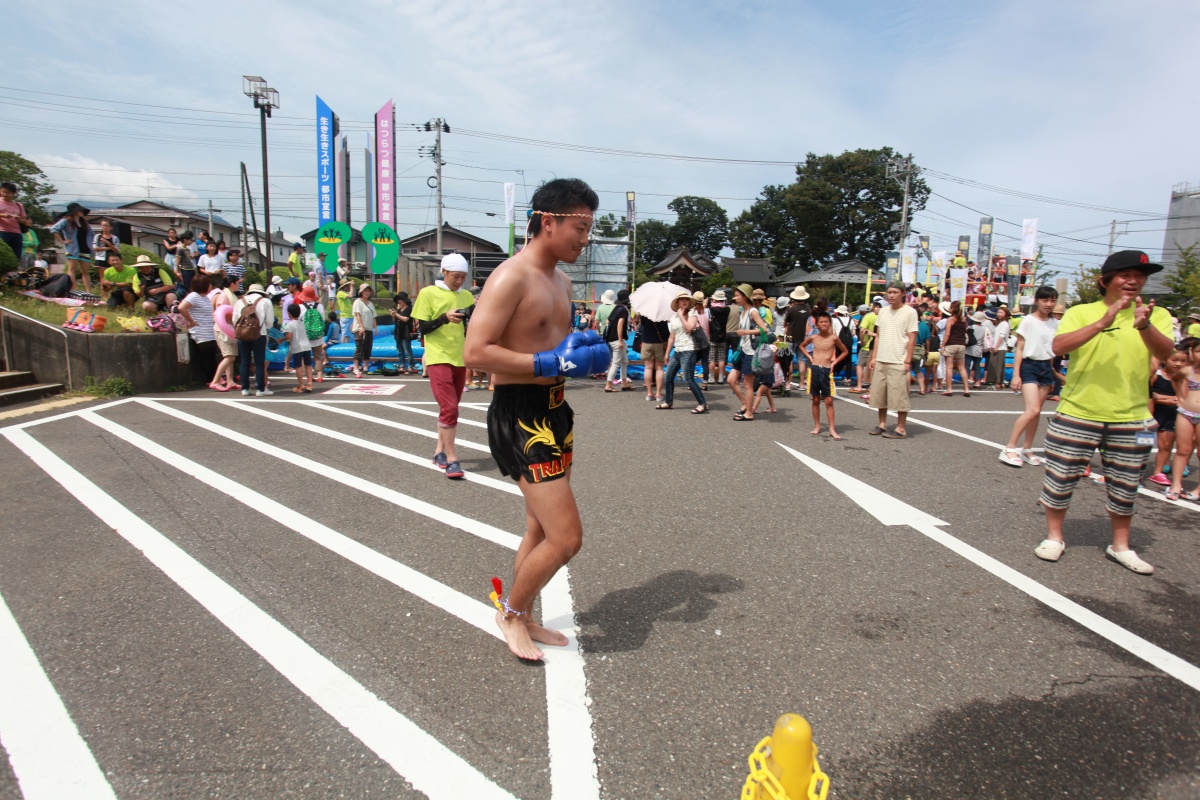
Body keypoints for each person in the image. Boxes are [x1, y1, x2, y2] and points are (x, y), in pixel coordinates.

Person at [463, 177, 609, 660]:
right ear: (548, 222)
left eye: (589, 228)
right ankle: (510, 613)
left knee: (540, 530)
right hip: (521, 416)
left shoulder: (562, 280)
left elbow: (558, 350)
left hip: (556, 412)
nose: (584, 238)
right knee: (567, 538)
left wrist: (578, 357)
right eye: (579, 226)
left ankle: (520, 613)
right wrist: (547, 364)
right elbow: (474, 352)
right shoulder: (511, 276)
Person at [1035, 250, 1174, 574]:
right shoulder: (1082, 312)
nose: (1134, 280)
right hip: (1078, 411)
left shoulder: (1156, 314)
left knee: (1126, 485)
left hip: (1131, 414)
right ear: (1105, 281)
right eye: (1125, 275)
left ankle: (1121, 545)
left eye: (1140, 276)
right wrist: (1103, 321)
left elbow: (1166, 352)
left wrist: (1145, 326)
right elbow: (1059, 347)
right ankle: (1055, 537)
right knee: (1060, 478)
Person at [412, 253, 476, 479]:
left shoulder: (466, 295)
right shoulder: (428, 293)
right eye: (455, 276)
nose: (459, 281)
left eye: (463, 277)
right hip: (438, 357)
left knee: (449, 409)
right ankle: (452, 459)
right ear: (444, 272)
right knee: (450, 408)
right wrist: (444, 318)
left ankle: (438, 452)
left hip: (460, 358)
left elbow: (472, 326)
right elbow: (421, 329)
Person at [999, 286, 1061, 466]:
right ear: (1036, 301)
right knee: (1032, 409)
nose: (1049, 304)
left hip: (1045, 366)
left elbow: (1051, 350)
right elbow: (1019, 348)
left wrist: (1052, 373)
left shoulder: (1056, 324)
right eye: (1045, 300)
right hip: (1029, 365)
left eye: (1052, 300)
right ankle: (1009, 447)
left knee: (1037, 412)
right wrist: (1016, 375)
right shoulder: (1027, 320)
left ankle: (1027, 448)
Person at [868, 282, 918, 439]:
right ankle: (882, 424)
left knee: (899, 396)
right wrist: (874, 356)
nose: (891, 295)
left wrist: (907, 360)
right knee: (879, 394)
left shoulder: (910, 312)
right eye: (889, 292)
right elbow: (878, 336)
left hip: (898, 359)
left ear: (903, 293)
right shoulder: (882, 311)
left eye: (895, 292)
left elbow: (912, 338)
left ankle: (901, 427)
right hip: (882, 358)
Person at [799, 310, 849, 439]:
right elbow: (802, 346)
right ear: (817, 324)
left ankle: (832, 428)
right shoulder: (814, 337)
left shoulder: (834, 338)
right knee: (815, 399)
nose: (824, 324)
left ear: (830, 323)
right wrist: (809, 357)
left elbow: (844, 351)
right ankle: (817, 426)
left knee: (829, 401)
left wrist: (834, 363)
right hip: (814, 369)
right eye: (821, 322)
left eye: (826, 322)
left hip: (827, 370)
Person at [728, 283, 770, 421]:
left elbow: (764, 329)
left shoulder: (753, 311)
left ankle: (749, 413)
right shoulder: (743, 311)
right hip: (742, 350)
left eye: (737, 295)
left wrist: (746, 332)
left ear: (745, 297)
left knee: (748, 384)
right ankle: (745, 404)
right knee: (731, 379)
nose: (735, 298)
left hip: (751, 352)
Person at [659, 291, 707, 413]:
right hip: (677, 351)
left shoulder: (692, 314)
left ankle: (702, 403)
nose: (684, 301)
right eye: (682, 299)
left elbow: (689, 328)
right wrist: (667, 353)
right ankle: (668, 402)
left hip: (689, 350)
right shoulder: (673, 318)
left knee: (688, 379)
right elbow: (671, 337)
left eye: (686, 299)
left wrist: (681, 316)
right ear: (678, 302)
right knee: (668, 377)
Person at [1147, 348, 1188, 486]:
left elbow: (1182, 398)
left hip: (1170, 415)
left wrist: (1163, 398)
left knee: (1165, 445)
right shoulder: (1156, 375)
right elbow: (1149, 395)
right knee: (1142, 444)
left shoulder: (1182, 379)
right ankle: (1135, 471)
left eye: (1183, 361)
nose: (1178, 364)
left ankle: (1158, 472)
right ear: (1165, 360)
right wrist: (1166, 399)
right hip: (1152, 414)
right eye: (1174, 360)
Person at [1167, 338, 1200, 502]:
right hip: (1185, 412)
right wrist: (1180, 397)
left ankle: (1199, 489)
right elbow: (1174, 378)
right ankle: (1175, 486)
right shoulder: (1188, 370)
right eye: (1199, 351)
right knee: (1182, 450)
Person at [233, 284, 274, 397]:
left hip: (243, 335)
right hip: (259, 334)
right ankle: (260, 389)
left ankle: (245, 388)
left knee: (244, 361)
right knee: (259, 362)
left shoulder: (240, 301)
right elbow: (270, 322)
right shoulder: (266, 301)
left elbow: (234, 319)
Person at [178, 273, 218, 383]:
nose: (210, 286)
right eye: (208, 284)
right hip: (200, 332)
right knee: (207, 357)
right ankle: (210, 379)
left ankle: (213, 379)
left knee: (211, 356)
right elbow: (181, 307)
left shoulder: (204, 297)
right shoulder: (194, 296)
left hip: (209, 330)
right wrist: (191, 321)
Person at [50, 203, 93, 293]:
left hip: (84, 248)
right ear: (74, 212)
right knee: (72, 269)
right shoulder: (66, 221)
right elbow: (54, 229)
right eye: (79, 210)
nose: (81, 212)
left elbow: (91, 233)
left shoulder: (84, 222)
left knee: (85, 272)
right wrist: (63, 241)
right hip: (73, 248)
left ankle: (88, 292)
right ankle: (73, 290)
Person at [210, 275, 239, 391]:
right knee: (229, 356)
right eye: (237, 283)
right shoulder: (223, 295)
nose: (238, 285)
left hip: (229, 329)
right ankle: (215, 381)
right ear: (232, 283)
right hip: (223, 329)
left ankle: (230, 381)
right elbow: (220, 313)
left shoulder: (230, 295)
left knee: (231, 356)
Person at [940, 300, 972, 397]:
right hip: (961, 345)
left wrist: (942, 345)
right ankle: (966, 389)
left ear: (952, 309)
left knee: (949, 367)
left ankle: (949, 389)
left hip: (951, 344)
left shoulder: (950, 320)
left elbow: (947, 334)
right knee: (962, 367)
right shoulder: (963, 320)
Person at [282, 304, 315, 393]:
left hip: (297, 347)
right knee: (308, 365)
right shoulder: (303, 323)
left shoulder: (289, 325)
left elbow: (288, 337)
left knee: (298, 366)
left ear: (289, 314)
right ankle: (310, 384)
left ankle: (301, 385)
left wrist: (281, 339)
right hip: (307, 346)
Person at [784, 286, 812, 391]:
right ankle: (801, 384)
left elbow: (785, 323)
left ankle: (788, 383)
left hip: (791, 337)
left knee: (789, 361)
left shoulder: (791, 309)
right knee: (801, 360)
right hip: (803, 339)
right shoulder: (809, 309)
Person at [604, 288, 631, 391]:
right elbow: (620, 324)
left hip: (612, 338)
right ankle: (608, 385)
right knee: (615, 363)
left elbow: (607, 322)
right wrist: (620, 340)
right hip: (617, 340)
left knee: (624, 361)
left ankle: (624, 382)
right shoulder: (623, 310)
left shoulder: (616, 308)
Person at [0, 181, 33, 263]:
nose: (5, 194)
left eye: (8, 193)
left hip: (16, 233)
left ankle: (14, 273)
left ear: (13, 194)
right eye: (3, 192)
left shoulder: (18, 205)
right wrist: (3, 215)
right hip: (2, 231)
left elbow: (24, 220)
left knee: (16, 256)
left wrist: (19, 219)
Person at [640, 311, 669, 403]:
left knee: (648, 368)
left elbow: (643, 324)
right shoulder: (663, 312)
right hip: (659, 342)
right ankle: (658, 394)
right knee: (659, 368)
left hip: (646, 341)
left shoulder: (645, 311)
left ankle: (649, 393)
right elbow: (665, 329)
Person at [351, 283, 377, 378]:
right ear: (361, 292)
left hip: (369, 328)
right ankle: (356, 367)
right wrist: (361, 327)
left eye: (368, 291)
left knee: (368, 347)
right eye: (365, 291)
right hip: (359, 328)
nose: (367, 293)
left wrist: (375, 327)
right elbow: (358, 315)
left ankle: (366, 365)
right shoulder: (358, 302)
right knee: (359, 347)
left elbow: (373, 316)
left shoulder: (370, 304)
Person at [390, 292, 418, 374]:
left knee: (407, 350)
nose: (399, 301)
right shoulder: (399, 310)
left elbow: (406, 319)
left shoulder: (408, 309)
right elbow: (395, 321)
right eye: (398, 300)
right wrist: (393, 316)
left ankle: (411, 366)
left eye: (400, 299)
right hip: (398, 332)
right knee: (400, 351)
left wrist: (396, 314)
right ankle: (402, 365)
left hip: (405, 332)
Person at [852, 302, 877, 394]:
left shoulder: (868, 317)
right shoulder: (882, 316)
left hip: (867, 345)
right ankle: (872, 386)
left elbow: (862, 331)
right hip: (878, 346)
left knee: (860, 365)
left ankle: (859, 385)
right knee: (873, 367)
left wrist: (862, 342)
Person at [708, 290, 731, 385]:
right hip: (723, 335)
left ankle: (711, 377)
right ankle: (721, 376)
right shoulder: (727, 309)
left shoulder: (711, 309)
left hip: (713, 335)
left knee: (712, 358)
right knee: (721, 358)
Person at [986, 306, 1012, 389]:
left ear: (1006, 314)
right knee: (997, 365)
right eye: (998, 312)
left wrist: (996, 346)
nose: (999, 314)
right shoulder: (1001, 323)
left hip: (1000, 347)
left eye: (1001, 313)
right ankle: (1000, 383)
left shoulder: (1004, 323)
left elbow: (1002, 335)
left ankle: (997, 383)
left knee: (997, 366)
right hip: (998, 346)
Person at [966, 310, 987, 389]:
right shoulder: (984, 328)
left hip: (969, 349)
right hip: (979, 349)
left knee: (967, 365)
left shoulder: (971, 327)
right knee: (977, 366)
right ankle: (978, 382)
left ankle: (967, 380)